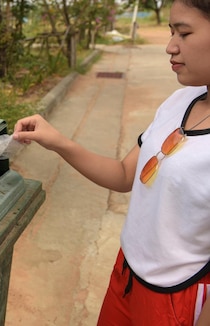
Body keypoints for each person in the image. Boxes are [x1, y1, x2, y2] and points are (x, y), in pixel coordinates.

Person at [12, 0, 210, 324]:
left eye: (184, 33)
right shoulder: (181, 99)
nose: (170, 46)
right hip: (126, 275)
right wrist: (56, 140)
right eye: (171, 31)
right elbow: (123, 175)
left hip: (177, 299)